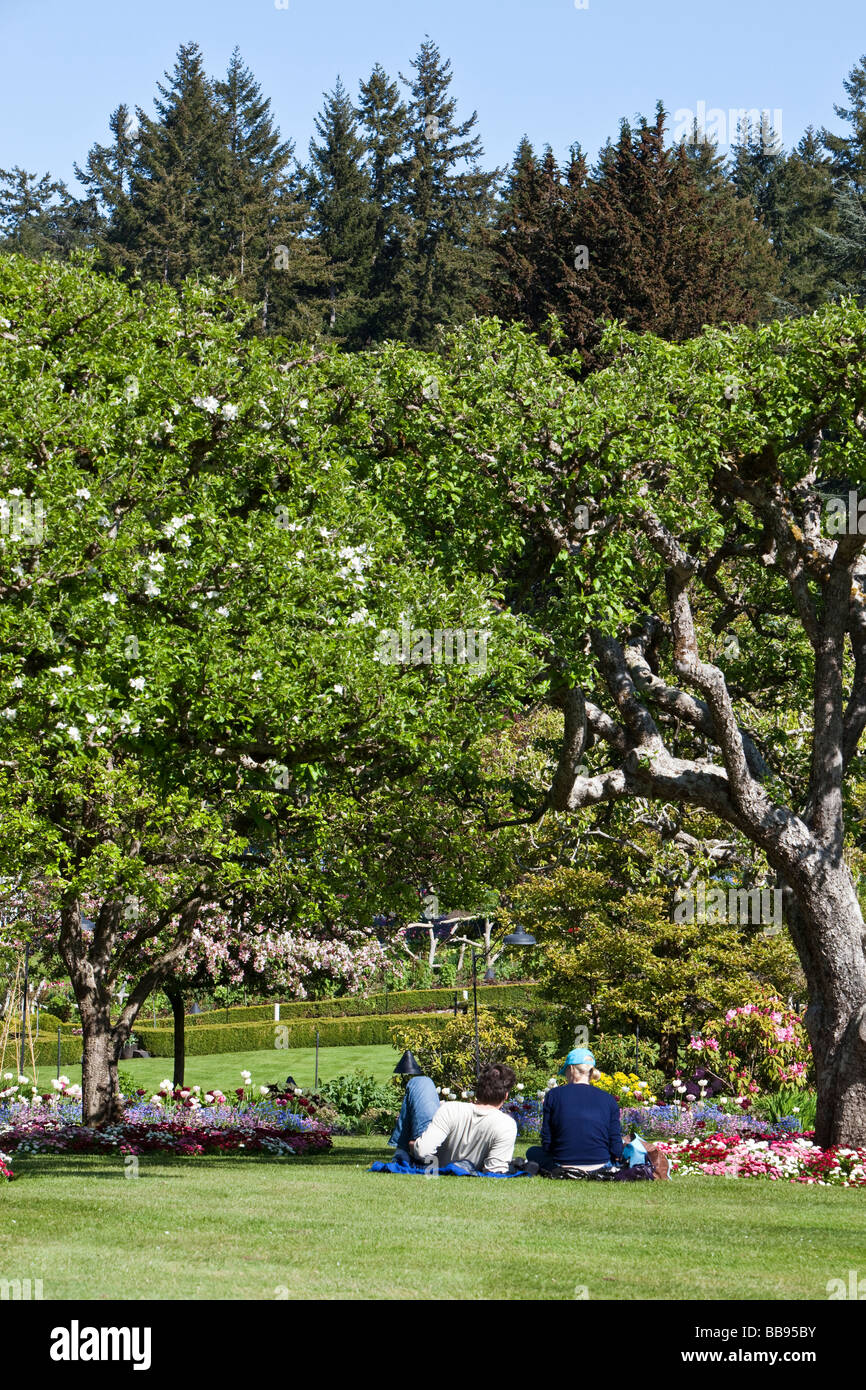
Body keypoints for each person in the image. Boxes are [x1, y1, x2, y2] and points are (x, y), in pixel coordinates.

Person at [526, 1048, 623, 1177]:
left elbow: (547, 1139)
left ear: (571, 1069)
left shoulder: (554, 1095)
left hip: (563, 1164)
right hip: (601, 1165)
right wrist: (617, 1156)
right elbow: (615, 1140)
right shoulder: (608, 1098)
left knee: (532, 1152)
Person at [410, 1064, 518, 1174]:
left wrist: (414, 1145)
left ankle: (401, 1152)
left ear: (478, 1091)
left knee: (420, 1082)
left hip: (434, 1164)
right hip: (454, 1167)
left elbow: (423, 1151)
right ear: (506, 1096)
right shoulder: (507, 1125)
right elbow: (495, 1170)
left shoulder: (450, 1109)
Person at [389, 1050, 440, 1161]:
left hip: (428, 1151)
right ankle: (401, 1151)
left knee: (418, 1082)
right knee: (423, 1082)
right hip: (442, 1145)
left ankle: (400, 1152)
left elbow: (415, 1145)